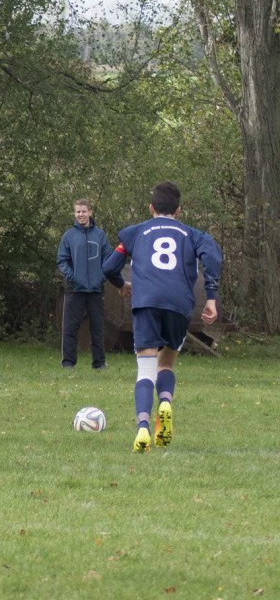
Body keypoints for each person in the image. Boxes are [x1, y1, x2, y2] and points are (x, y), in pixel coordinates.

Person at [103, 181, 221, 453]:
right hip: (179, 304)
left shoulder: (135, 233)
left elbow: (109, 266)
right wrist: (211, 297)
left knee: (145, 368)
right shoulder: (193, 234)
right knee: (165, 364)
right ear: (179, 210)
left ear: (151, 207)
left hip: (146, 303)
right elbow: (212, 257)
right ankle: (165, 402)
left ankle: (143, 428)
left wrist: (122, 286)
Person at [57, 198, 115, 369]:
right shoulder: (69, 236)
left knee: (98, 329)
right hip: (74, 289)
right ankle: (68, 362)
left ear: (90, 212)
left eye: (83, 211)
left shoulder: (100, 235)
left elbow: (109, 259)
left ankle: (99, 363)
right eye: (78, 212)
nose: (81, 215)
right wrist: (71, 276)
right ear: (74, 214)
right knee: (70, 328)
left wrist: (101, 276)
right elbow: (62, 260)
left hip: (96, 289)